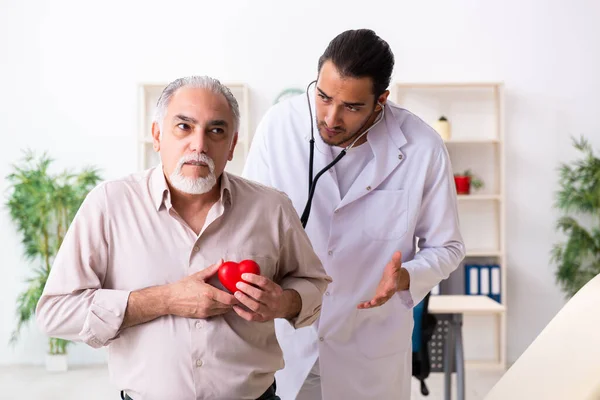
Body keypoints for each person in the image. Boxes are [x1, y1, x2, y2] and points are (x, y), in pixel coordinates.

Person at [35, 76, 332, 400]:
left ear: (232, 145)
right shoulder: (109, 205)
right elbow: (56, 312)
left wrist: (284, 302)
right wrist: (165, 299)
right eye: (184, 127)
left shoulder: (271, 207)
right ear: (157, 135)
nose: (199, 144)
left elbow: (314, 283)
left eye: (216, 131)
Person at [242, 29, 466, 399]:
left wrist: (406, 277)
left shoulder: (422, 148)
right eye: (324, 97)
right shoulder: (278, 128)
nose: (330, 117)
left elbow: (448, 245)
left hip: (368, 355)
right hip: (289, 345)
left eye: (352, 107)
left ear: (381, 102)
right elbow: (248, 227)